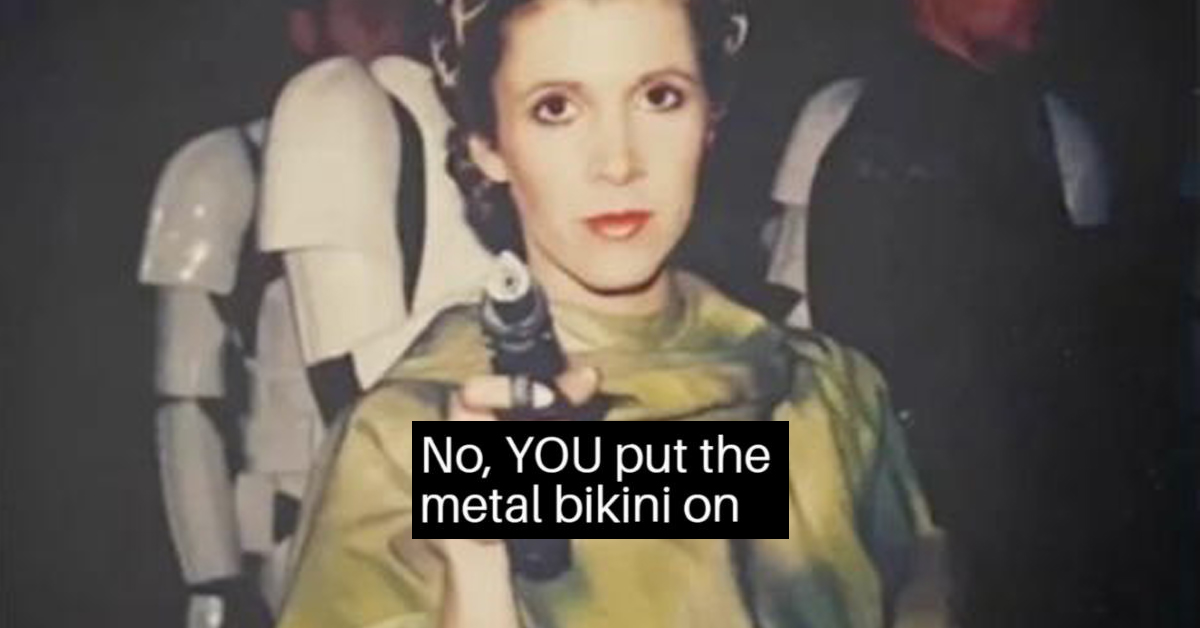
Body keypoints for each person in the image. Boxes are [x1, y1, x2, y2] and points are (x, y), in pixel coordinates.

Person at [275, 0, 942, 627]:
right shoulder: (405, 443)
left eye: (660, 97)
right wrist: (478, 579)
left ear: (711, 117)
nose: (618, 162)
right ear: (487, 144)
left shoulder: (832, 392)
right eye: (556, 108)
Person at [765, 0, 1182, 625]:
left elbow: (1090, 365)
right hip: (886, 497)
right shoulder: (840, 115)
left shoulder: (1057, 131)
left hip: (1021, 523)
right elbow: (796, 331)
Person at [137, 1, 491, 626]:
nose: (385, 19)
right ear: (305, 24)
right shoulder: (232, 167)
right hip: (301, 515)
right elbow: (189, 401)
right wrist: (213, 581)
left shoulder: (455, 143)